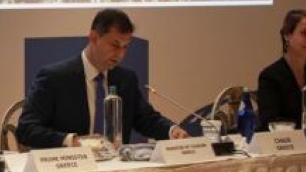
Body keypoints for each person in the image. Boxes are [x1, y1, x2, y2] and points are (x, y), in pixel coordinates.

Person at [16, 9, 188, 148]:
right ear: (93, 38)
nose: (120, 54)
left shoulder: (125, 79)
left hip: (115, 168)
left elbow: (146, 118)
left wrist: (172, 130)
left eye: (125, 47)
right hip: (71, 168)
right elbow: (26, 129)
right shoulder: (54, 78)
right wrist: (71, 141)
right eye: (114, 45)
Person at [256, 9, 306, 131]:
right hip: (286, 142)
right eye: (305, 33)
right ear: (287, 35)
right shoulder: (270, 76)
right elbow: (269, 122)